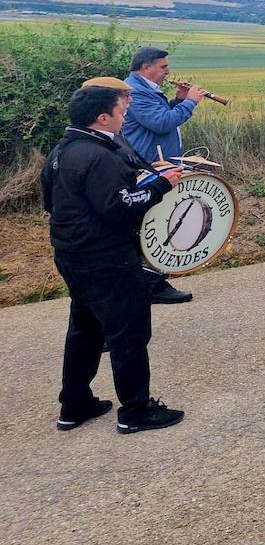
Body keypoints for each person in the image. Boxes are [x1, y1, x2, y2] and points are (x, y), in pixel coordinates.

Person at [44, 84, 187, 434]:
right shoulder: (98, 155)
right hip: (107, 258)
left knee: (86, 330)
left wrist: (141, 179)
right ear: (102, 118)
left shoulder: (62, 151)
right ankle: (136, 412)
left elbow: (52, 201)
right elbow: (119, 207)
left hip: (71, 254)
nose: (124, 119)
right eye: (121, 113)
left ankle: (74, 405)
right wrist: (159, 187)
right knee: (129, 334)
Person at [123, 46, 205, 305]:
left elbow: (163, 117)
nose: (168, 72)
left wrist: (179, 100)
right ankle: (151, 285)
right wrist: (191, 101)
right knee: (148, 224)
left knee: (156, 222)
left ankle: (152, 281)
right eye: (163, 67)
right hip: (148, 167)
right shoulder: (136, 91)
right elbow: (161, 123)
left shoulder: (146, 89)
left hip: (158, 163)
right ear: (146, 68)